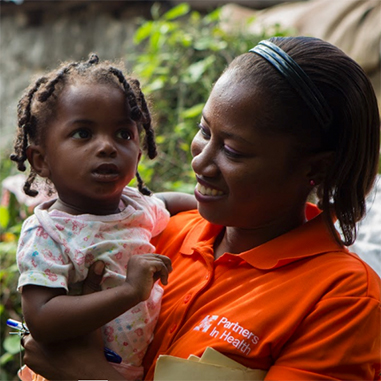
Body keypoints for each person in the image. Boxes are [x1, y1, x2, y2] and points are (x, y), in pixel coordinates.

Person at [22, 36, 380, 380]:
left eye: (234, 151)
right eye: (205, 131)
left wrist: (90, 376)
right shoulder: (160, 236)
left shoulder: (343, 299)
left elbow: (80, 364)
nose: (201, 162)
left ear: (314, 168)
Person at [10, 54, 196, 380]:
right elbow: (40, 317)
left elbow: (168, 201)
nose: (107, 147)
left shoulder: (137, 206)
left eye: (123, 134)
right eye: (83, 134)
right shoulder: (48, 232)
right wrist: (127, 292)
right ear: (41, 160)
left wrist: (207, 204)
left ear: (138, 154)